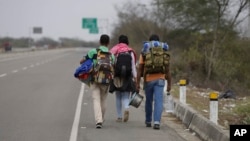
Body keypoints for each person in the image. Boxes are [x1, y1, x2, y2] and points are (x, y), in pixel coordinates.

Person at [136, 34, 171, 130]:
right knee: (159, 101)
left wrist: (137, 83)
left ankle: (148, 121)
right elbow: (167, 68)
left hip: (148, 79)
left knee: (149, 100)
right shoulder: (163, 50)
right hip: (160, 79)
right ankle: (156, 122)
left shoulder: (145, 49)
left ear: (149, 41)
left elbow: (140, 69)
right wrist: (169, 84)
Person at [80, 34, 115, 129]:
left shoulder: (93, 52)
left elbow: (82, 61)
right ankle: (102, 118)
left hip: (95, 79)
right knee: (103, 99)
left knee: (96, 99)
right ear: (108, 43)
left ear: (100, 42)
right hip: (106, 80)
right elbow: (113, 66)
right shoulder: (111, 54)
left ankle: (98, 121)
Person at [109, 35, 137, 122]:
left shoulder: (115, 50)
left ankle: (119, 116)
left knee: (118, 96)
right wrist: (135, 77)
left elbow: (111, 63)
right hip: (128, 76)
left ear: (119, 41)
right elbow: (133, 66)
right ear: (127, 42)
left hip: (117, 76)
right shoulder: (130, 51)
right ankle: (127, 108)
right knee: (126, 95)